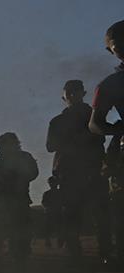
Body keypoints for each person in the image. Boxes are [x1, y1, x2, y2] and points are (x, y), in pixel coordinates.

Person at [48, 80, 109, 261]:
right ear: (64, 97)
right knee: (75, 214)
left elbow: (100, 138)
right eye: (69, 92)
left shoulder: (92, 116)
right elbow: (50, 146)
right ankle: (78, 253)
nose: (72, 95)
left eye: (75, 92)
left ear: (82, 93)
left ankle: (103, 253)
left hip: (90, 170)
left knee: (98, 214)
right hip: (72, 173)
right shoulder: (59, 121)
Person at [0, 133, 39, 262]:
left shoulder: (21, 158)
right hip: (4, 202)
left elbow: (33, 173)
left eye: (1, 146)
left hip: (15, 200)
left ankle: (17, 256)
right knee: (4, 232)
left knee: (18, 232)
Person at [90, 20, 124, 137]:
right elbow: (95, 124)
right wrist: (119, 130)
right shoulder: (109, 85)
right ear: (110, 50)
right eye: (120, 47)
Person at [103, 135, 124, 261]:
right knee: (119, 224)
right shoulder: (118, 137)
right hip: (119, 189)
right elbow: (108, 163)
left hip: (118, 188)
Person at [41, 176, 62, 249]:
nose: (52, 184)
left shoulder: (59, 193)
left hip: (57, 212)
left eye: (53, 183)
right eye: (51, 183)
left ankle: (58, 241)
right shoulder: (48, 193)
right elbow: (44, 203)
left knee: (58, 228)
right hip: (51, 212)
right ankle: (48, 241)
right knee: (49, 228)